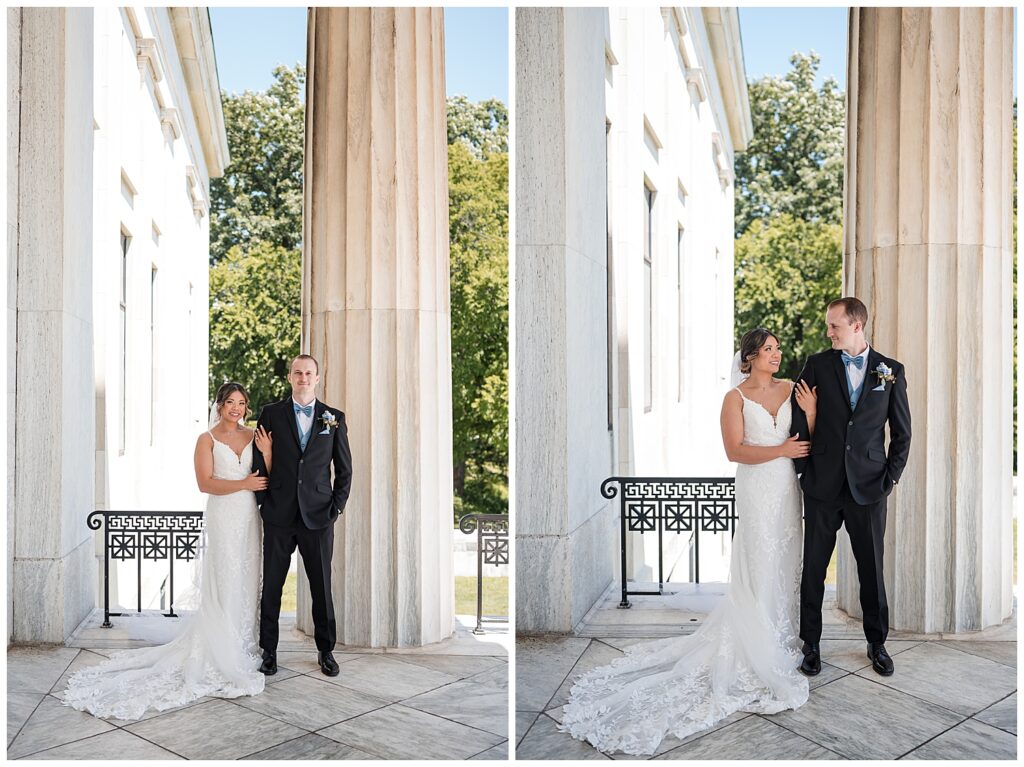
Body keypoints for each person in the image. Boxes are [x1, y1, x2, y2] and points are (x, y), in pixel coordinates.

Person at [559, 328, 814, 756]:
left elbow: (808, 439)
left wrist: (812, 411)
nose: (777, 354)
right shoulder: (734, 399)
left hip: (787, 491)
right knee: (757, 563)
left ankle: (783, 637)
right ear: (749, 357)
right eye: (768, 349)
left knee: (788, 561)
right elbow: (735, 451)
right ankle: (754, 643)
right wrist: (781, 451)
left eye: (776, 349)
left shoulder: (793, 389)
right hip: (755, 489)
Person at [63, 382, 270, 720]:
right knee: (225, 577)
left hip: (249, 516)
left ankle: (246, 643)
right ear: (219, 406)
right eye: (230, 402)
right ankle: (221, 649)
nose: (236, 408)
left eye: (242, 403)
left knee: (248, 577)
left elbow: (266, 475)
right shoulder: (206, 440)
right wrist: (243, 484)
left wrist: (267, 457)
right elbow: (205, 483)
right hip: (222, 515)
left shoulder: (253, 437)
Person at [789, 297, 911, 677]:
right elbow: (798, 418)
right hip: (823, 486)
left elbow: (902, 433)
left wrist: (889, 478)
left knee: (871, 570)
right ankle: (811, 645)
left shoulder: (891, 371)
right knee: (813, 570)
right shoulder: (817, 365)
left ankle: (877, 644)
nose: (828, 332)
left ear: (856, 326)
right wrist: (803, 472)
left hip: (870, 489)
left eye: (834, 326)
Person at [252, 354, 352, 677]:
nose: (303, 378)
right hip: (279, 515)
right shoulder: (270, 414)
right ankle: (269, 651)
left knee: (322, 587)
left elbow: (345, 470)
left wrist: (336, 508)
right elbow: (258, 461)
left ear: (318, 378)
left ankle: (326, 651)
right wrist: (263, 503)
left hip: (319, 518)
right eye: (298, 373)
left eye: (309, 373)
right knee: (273, 587)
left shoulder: (333, 418)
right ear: (290, 377)